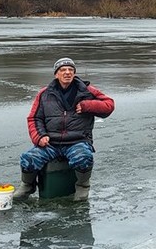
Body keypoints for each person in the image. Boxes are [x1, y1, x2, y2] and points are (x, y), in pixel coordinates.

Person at [15, 58, 115, 202]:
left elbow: (109, 105)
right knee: (29, 158)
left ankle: (82, 186)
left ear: (74, 73)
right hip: (51, 142)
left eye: (70, 70)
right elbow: (34, 118)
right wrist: (39, 136)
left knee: (83, 158)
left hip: (78, 141)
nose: (67, 73)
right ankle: (27, 185)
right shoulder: (45, 94)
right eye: (63, 70)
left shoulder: (86, 90)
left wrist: (88, 105)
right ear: (56, 74)